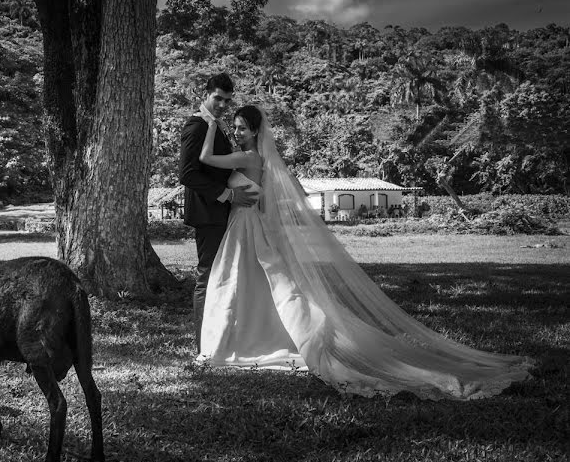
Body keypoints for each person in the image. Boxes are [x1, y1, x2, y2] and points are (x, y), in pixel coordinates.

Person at [195, 104, 533, 400]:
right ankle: (249, 335)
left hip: (245, 229)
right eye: (234, 127)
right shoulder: (259, 159)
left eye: (241, 127)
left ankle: (241, 339)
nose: (236, 132)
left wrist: (210, 122)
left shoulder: (247, 157)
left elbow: (205, 158)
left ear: (255, 131)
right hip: (245, 228)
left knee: (242, 284)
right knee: (257, 288)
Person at [179, 73, 258, 350]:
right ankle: (203, 345)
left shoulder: (218, 125)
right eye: (218, 98)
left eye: (227, 100)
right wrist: (228, 194)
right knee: (207, 275)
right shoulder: (197, 125)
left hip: (223, 213)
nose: (223, 104)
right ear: (207, 93)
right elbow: (187, 173)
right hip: (207, 213)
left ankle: (220, 336)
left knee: (221, 274)